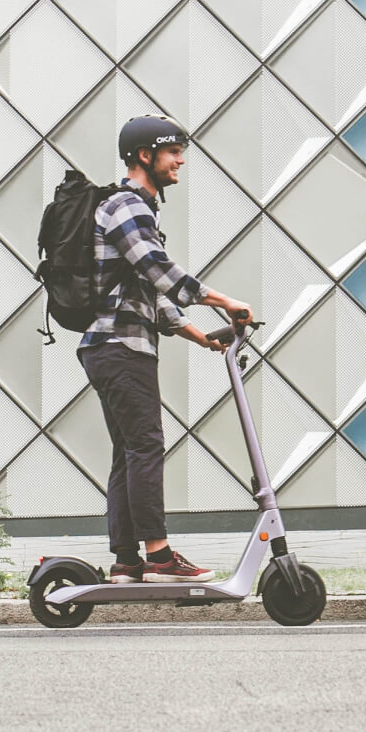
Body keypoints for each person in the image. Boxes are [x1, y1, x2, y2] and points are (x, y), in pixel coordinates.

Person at [78, 114, 255, 585]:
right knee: (146, 445)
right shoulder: (125, 206)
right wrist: (224, 299)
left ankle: (126, 561)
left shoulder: (140, 210)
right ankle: (159, 556)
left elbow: (151, 296)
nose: (180, 160)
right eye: (173, 151)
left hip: (115, 345)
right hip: (119, 345)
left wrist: (201, 336)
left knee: (129, 451)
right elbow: (159, 271)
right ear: (144, 156)